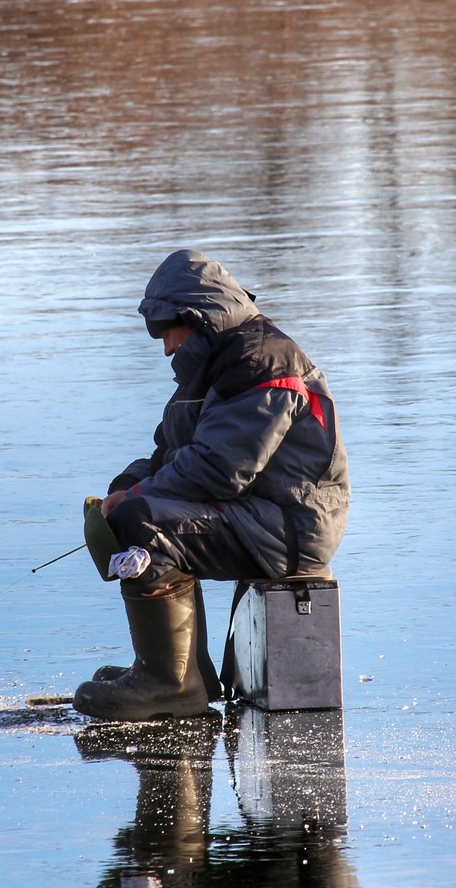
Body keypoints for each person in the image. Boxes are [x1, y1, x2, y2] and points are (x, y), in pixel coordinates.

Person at [73, 249, 349, 721]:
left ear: (196, 317)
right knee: (130, 510)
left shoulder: (261, 362)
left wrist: (133, 501)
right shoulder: (215, 365)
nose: (163, 347)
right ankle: (185, 672)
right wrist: (121, 487)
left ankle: (172, 686)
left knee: (143, 524)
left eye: (164, 331)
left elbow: (220, 471)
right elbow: (168, 454)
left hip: (289, 526)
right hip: (258, 514)